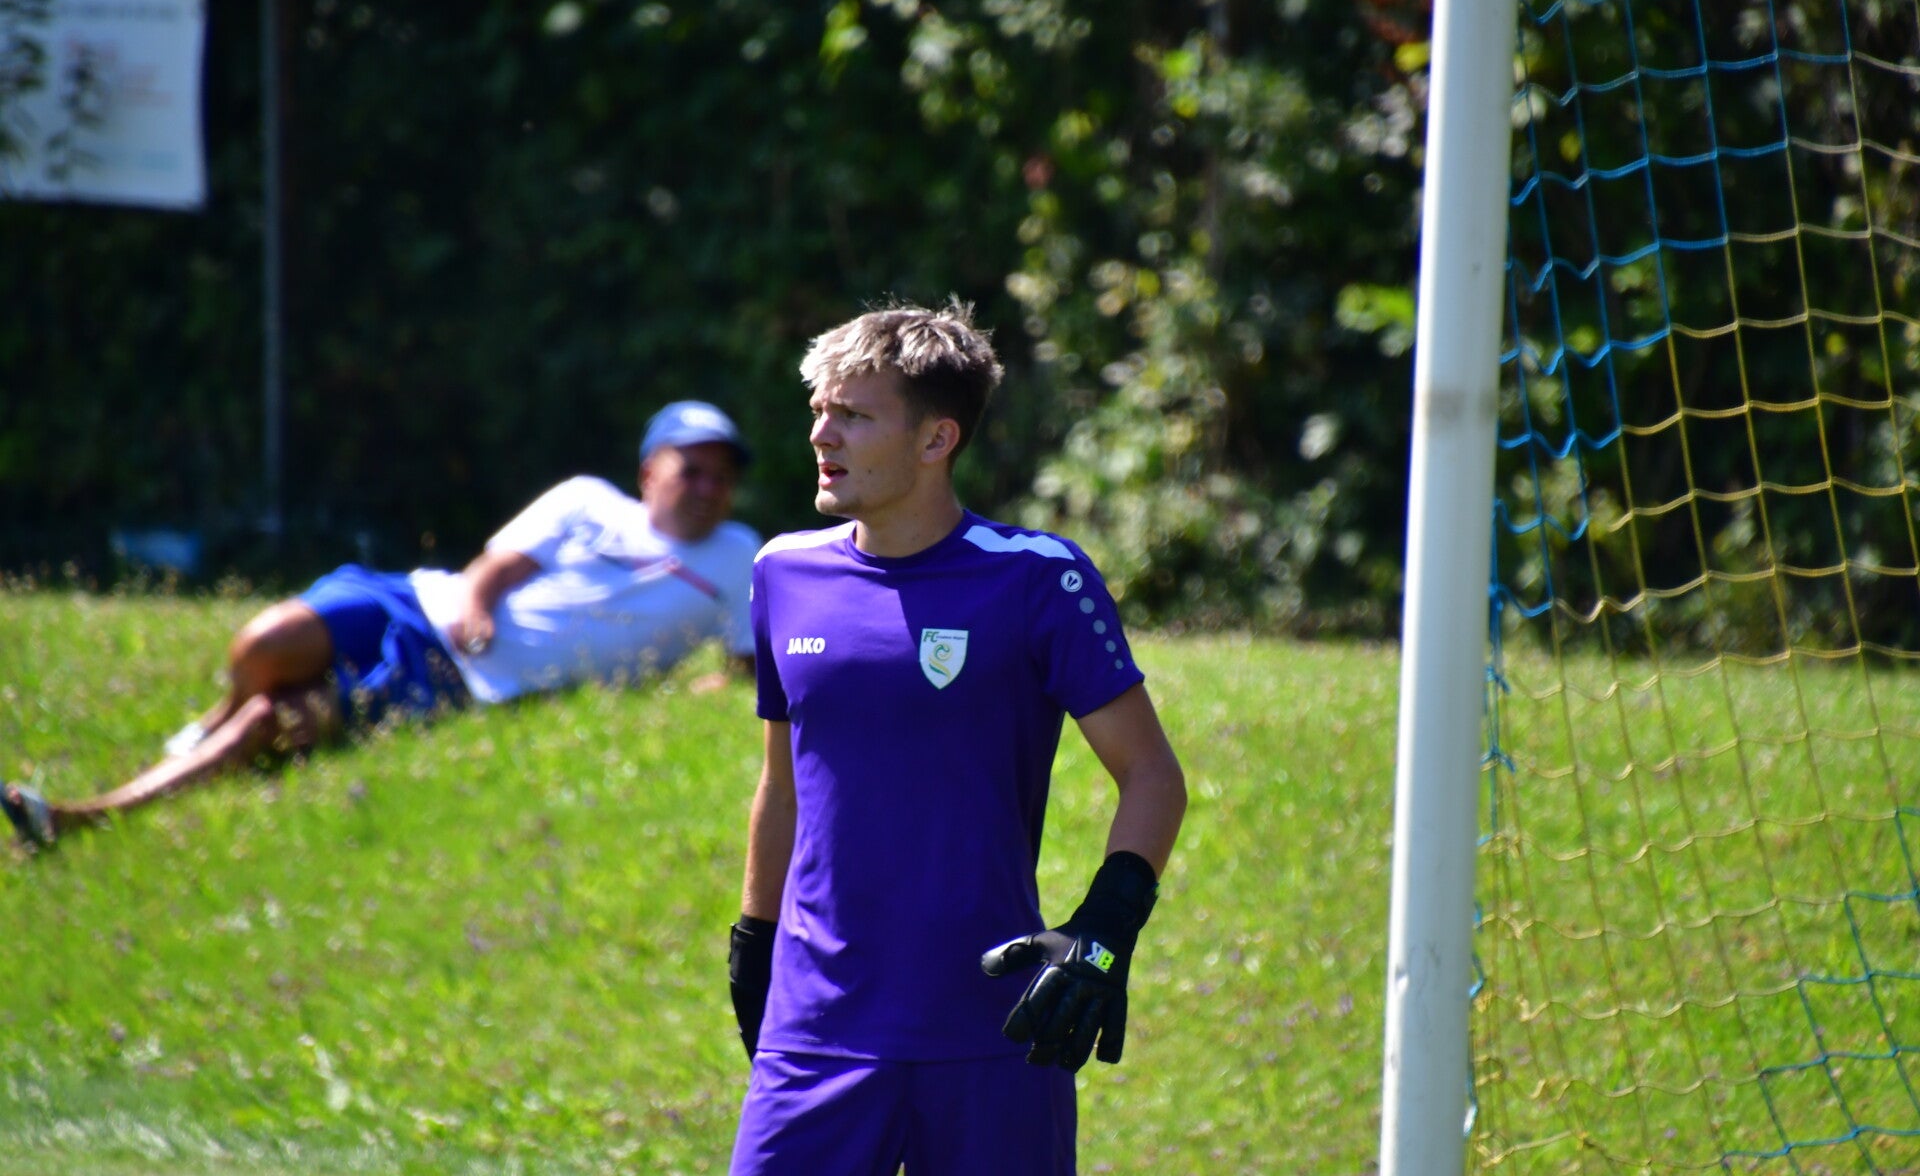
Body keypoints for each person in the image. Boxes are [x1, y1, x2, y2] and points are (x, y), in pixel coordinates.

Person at [726, 302, 1188, 1175]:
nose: (822, 435)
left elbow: (1152, 776)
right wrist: (754, 945)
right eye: (819, 410)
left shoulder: (1038, 578)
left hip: (994, 1028)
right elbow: (782, 786)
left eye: (854, 415)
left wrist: (1105, 931)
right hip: (817, 1028)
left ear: (937, 439)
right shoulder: (783, 573)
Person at [3, 400, 759, 850]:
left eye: (721, 476)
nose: (707, 487)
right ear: (648, 472)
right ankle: (207, 722)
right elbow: (497, 564)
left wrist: (686, 692)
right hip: (419, 604)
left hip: (458, 682)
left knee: (271, 723)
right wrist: (474, 608)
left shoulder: (738, 556)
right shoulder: (588, 500)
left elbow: (742, 667)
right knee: (263, 645)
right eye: (690, 468)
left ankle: (85, 818)